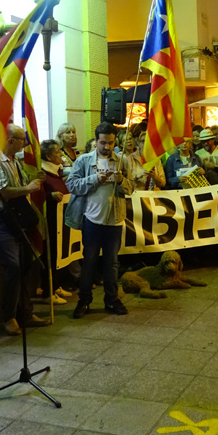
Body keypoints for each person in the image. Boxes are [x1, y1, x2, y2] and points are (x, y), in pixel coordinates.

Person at [0, 124, 50, 335]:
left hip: (15, 217)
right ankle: (7, 316)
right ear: (10, 140)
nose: (25, 143)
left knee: (26, 262)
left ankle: (25, 312)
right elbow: (1, 191)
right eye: (21, 139)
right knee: (13, 264)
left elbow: (18, 187)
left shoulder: (15, 162)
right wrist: (27, 188)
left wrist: (33, 181)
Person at [66, 122, 134, 318]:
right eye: (103, 143)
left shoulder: (122, 161)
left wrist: (121, 180)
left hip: (115, 219)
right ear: (96, 141)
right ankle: (84, 300)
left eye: (111, 143)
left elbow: (130, 189)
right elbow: (72, 185)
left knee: (112, 263)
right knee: (89, 261)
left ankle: (111, 299)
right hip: (92, 218)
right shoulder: (84, 161)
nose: (107, 147)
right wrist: (94, 179)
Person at [33, 139, 74, 303]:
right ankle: (47, 291)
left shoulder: (57, 172)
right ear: (48, 157)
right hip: (48, 221)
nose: (61, 155)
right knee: (49, 254)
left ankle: (56, 285)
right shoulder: (43, 174)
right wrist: (50, 196)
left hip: (60, 220)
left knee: (59, 253)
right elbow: (37, 195)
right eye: (57, 152)